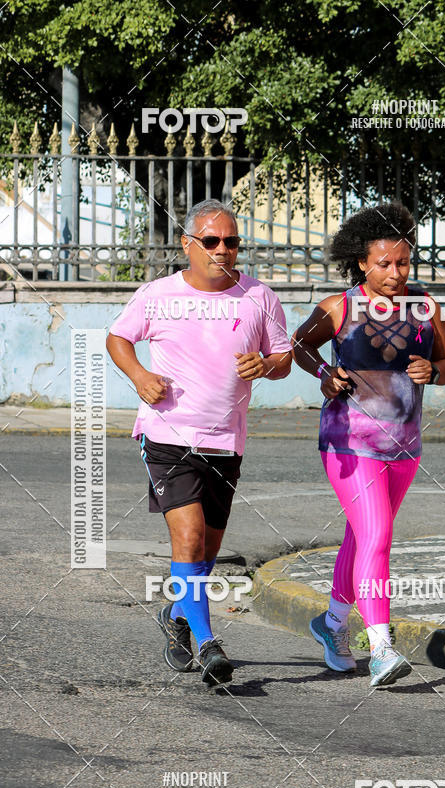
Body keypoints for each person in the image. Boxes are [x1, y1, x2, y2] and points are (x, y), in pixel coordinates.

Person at [107, 199, 292, 684]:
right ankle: (210, 643)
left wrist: (266, 365)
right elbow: (118, 338)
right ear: (188, 244)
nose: (223, 250)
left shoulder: (260, 297)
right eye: (211, 241)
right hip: (168, 433)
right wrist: (139, 375)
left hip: (226, 440)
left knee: (206, 550)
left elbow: (283, 359)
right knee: (187, 538)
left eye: (232, 242)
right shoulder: (159, 294)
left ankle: (179, 613)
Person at [292, 202, 445, 686]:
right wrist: (326, 373)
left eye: (403, 262)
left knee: (362, 538)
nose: (395, 272)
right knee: (379, 536)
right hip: (349, 443)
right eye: (384, 264)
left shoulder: (425, 307)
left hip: (404, 446)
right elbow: (300, 346)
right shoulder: (340, 306)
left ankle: (332, 625)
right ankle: (382, 647)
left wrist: (435, 372)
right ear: (363, 263)